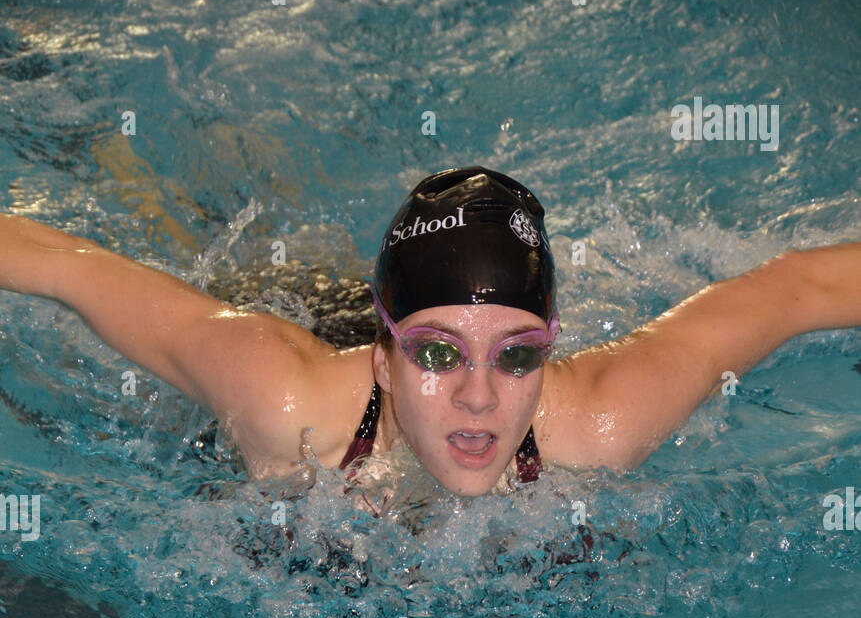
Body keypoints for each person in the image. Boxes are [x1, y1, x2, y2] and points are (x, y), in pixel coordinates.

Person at [1, 165, 859, 502]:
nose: (480, 397)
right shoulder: (282, 396)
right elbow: (70, 266)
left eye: (517, 355)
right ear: (385, 356)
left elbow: (790, 290)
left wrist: (447, 345)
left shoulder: (602, 421)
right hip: (308, 322)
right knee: (203, 224)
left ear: (548, 351)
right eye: (439, 354)